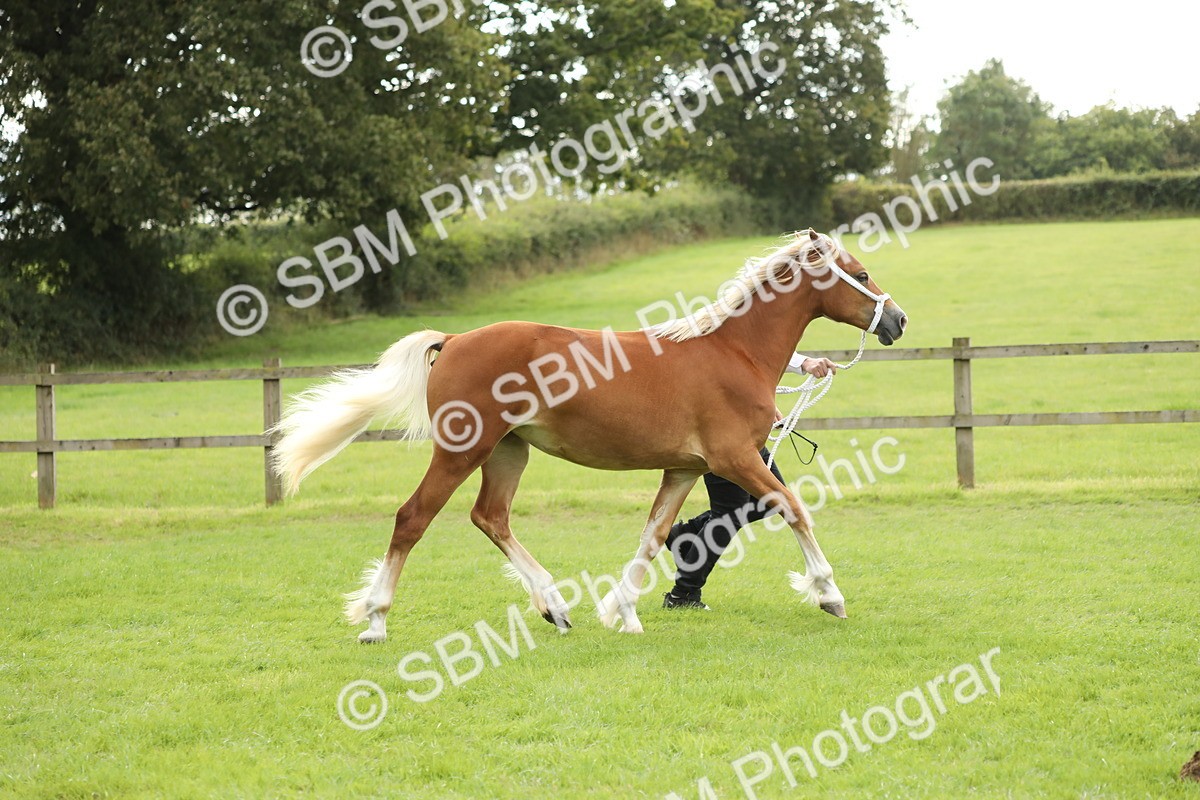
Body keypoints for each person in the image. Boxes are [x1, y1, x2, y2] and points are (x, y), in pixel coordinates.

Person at [662, 352, 838, 610]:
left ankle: (682, 536)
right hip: (722, 427)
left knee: (770, 503)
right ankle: (683, 594)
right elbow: (739, 350)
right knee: (730, 511)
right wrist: (803, 364)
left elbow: (753, 349)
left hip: (743, 421)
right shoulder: (730, 317)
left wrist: (763, 399)